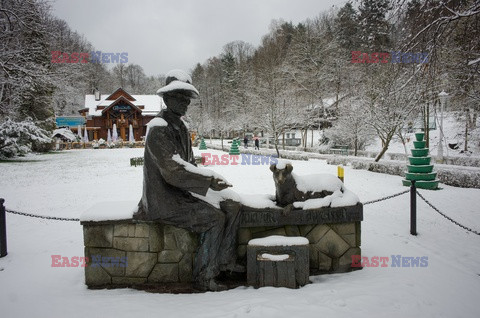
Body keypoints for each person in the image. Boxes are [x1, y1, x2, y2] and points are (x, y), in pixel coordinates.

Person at [135, 70, 242, 291]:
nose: (185, 103)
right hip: (164, 201)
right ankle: (205, 276)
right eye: (179, 97)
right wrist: (208, 180)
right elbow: (173, 171)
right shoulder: (158, 128)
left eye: (187, 99)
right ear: (166, 99)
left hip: (182, 193)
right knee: (214, 219)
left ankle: (224, 262)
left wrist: (210, 179)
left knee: (233, 205)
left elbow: (189, 165)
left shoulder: (181, 127)